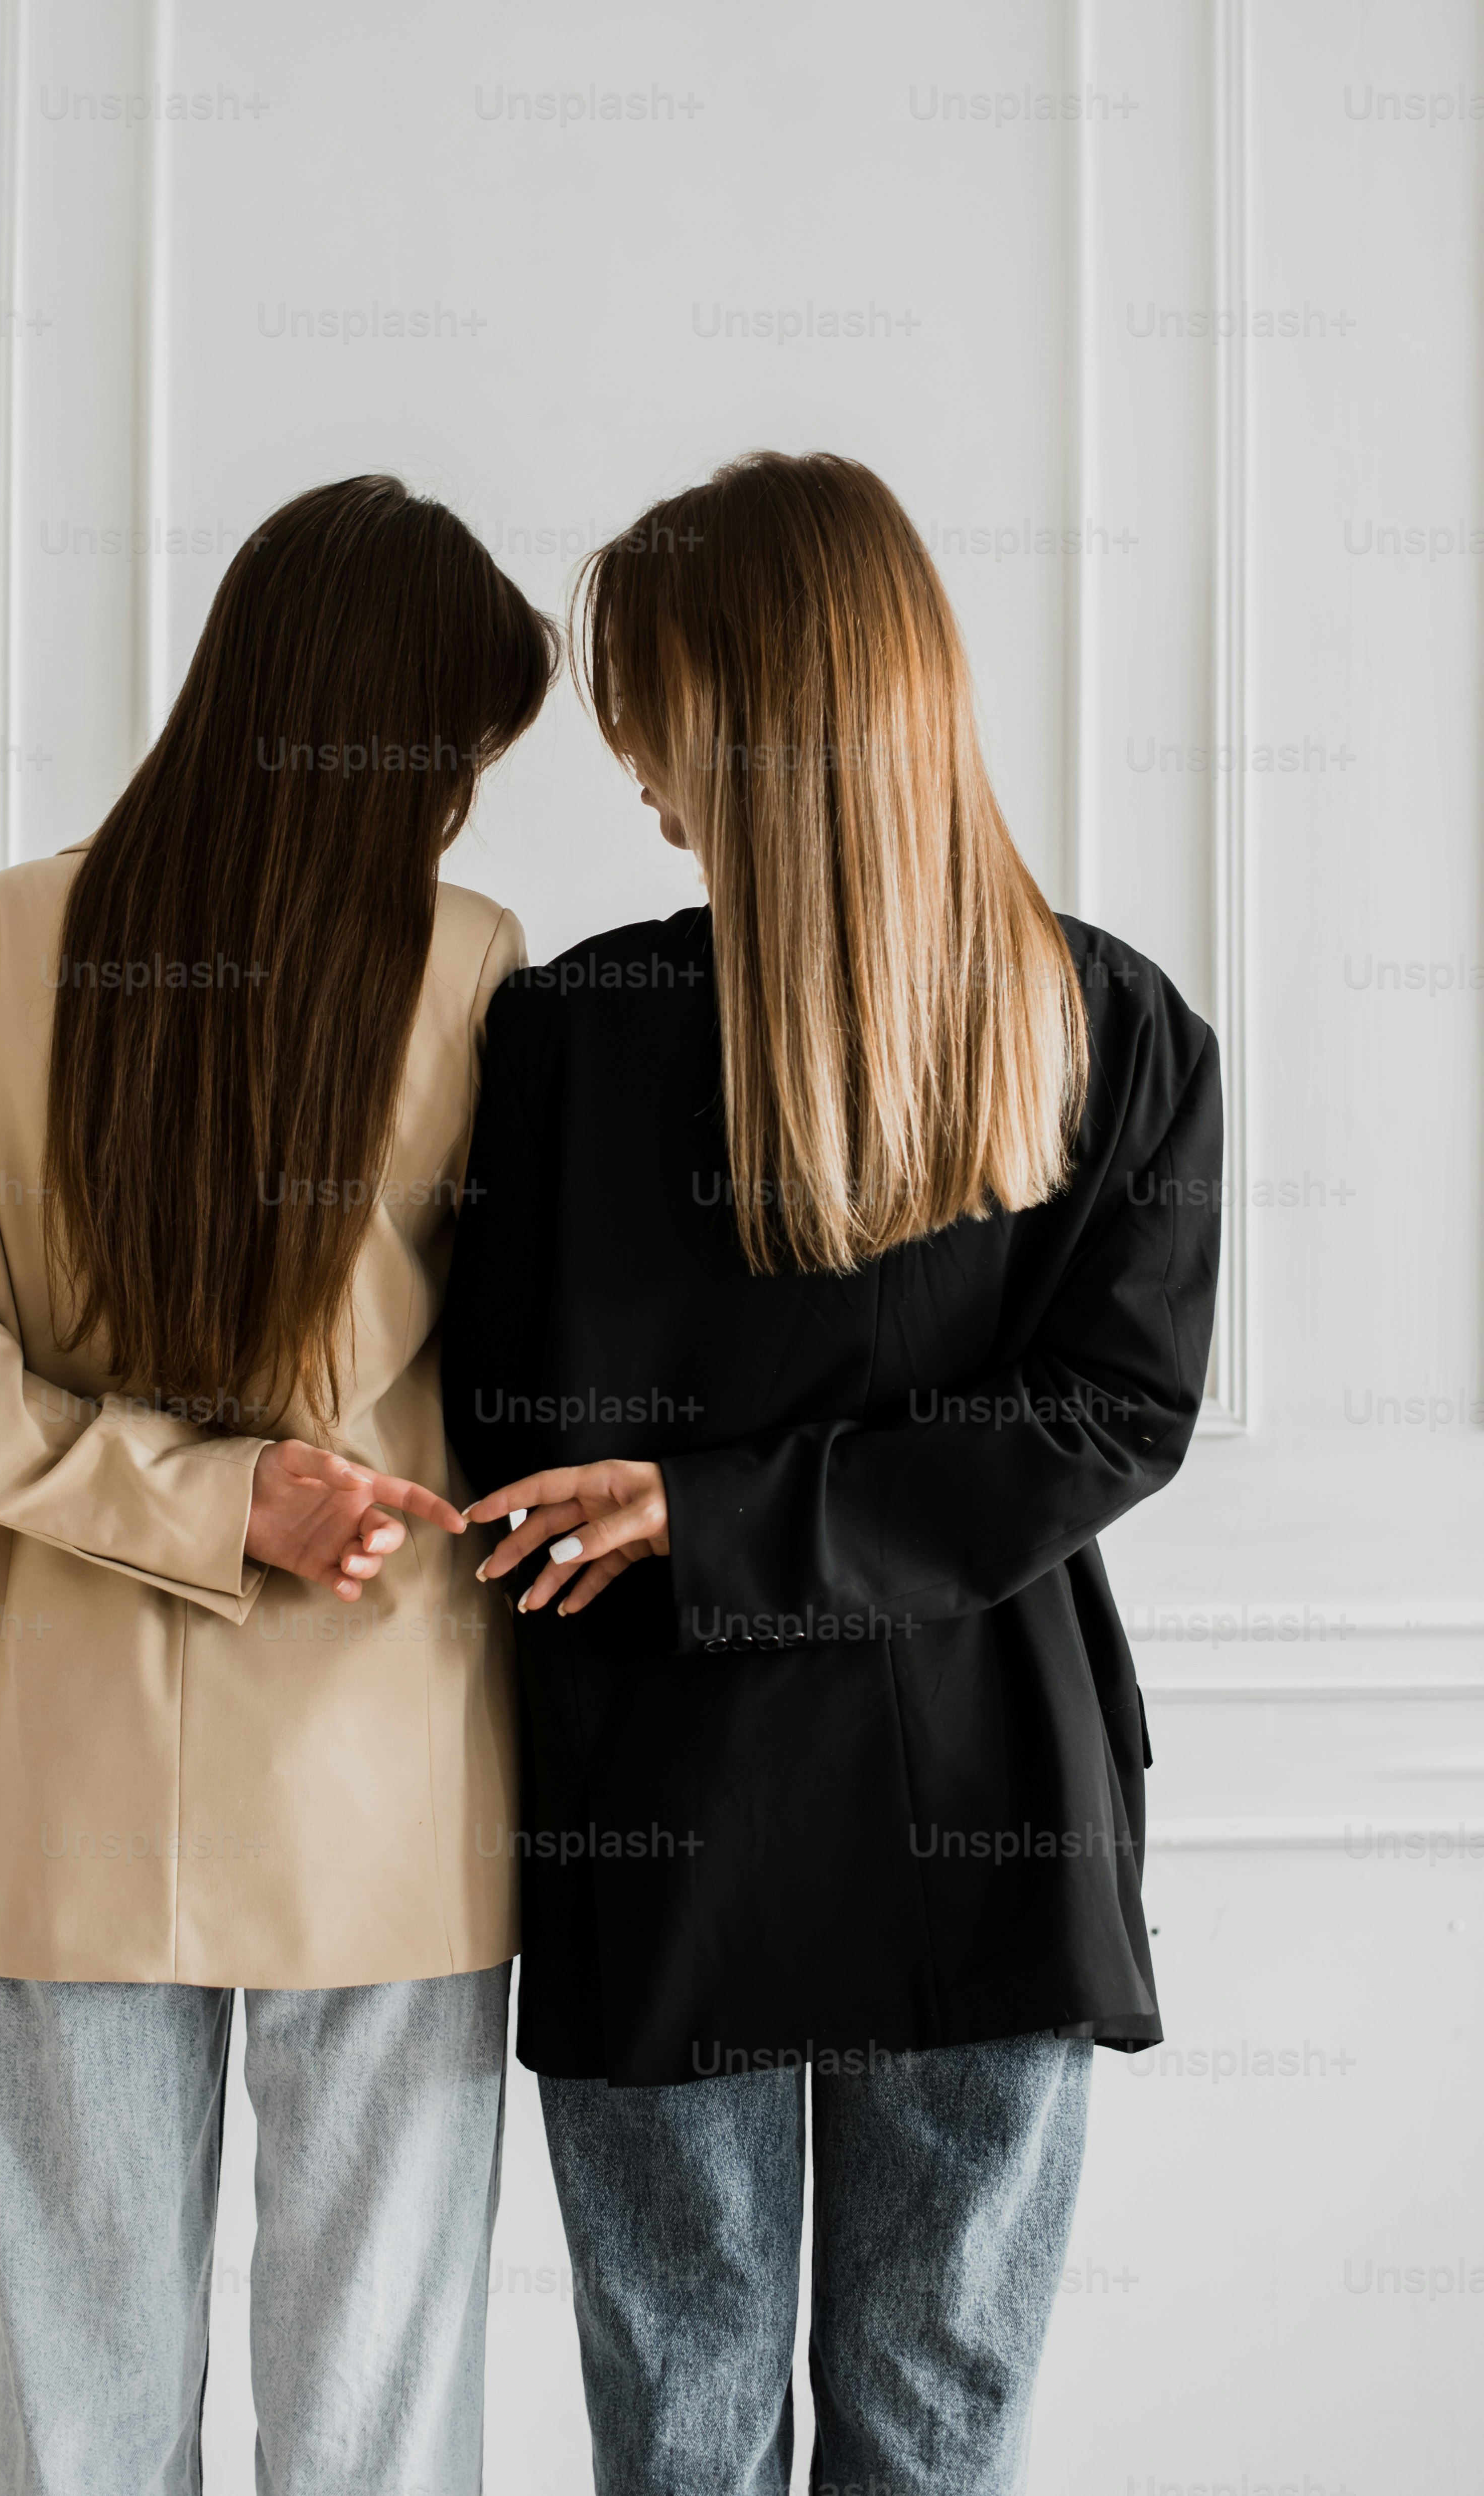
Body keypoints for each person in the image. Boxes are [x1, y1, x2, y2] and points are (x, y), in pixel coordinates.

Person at [443, 450, 1222, 2496]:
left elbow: (1113, 1417)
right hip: (954, 1802)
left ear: (754, 708)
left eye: (652, 702)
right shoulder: (1100, 1020)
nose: (626, 757)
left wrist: (701, 1519)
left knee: (706, 2419)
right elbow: (1095, 1420)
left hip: (680, 1813)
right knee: (907, 2419)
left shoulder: (581, 1037)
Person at [0, 475, 556, 2496]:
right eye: (461, 759)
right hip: (386, 1757)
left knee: (80, 2401)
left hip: (63, 1777)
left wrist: (179, 1490)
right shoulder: (476, 968)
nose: (460, 813)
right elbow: (527, 1356)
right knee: (381, 2413)